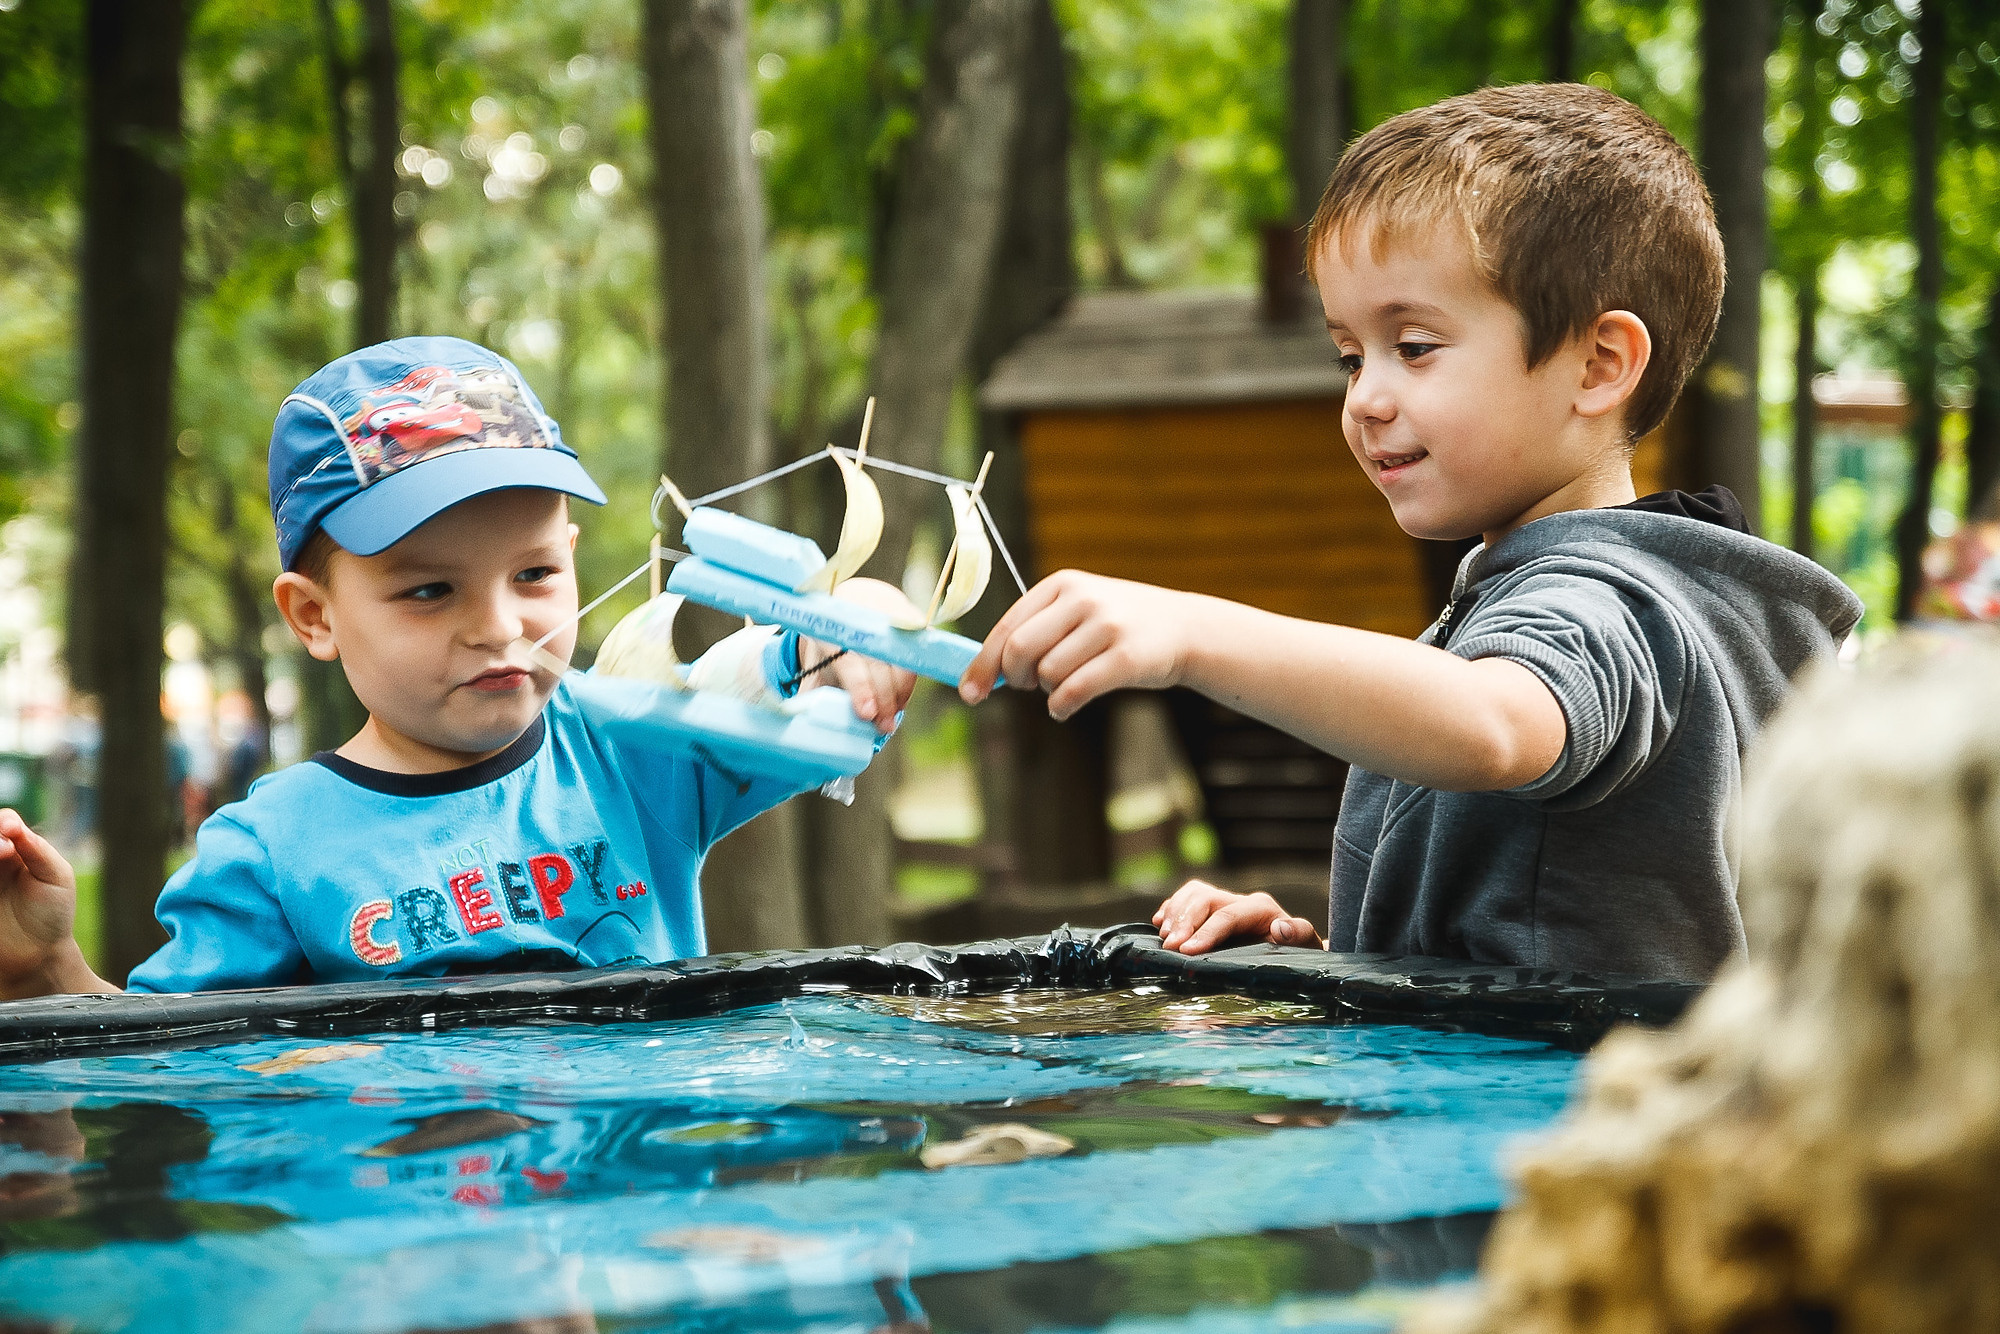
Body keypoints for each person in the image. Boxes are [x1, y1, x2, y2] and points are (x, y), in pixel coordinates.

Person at [962, 84, 1863, 982]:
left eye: (1416, 346)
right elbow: (1536, 939)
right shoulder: (1642, 591)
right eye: (1351, 357)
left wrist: (1193, 633)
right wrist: (1327, 962)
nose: (1367, 398)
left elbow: (1494, 725)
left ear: (1598, 365)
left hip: (1556, 1122)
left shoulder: (1605, 600)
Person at [0, 337, 914, 998]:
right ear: (314, 616)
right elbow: (173, 1075)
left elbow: (764, 682)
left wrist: (843, 640)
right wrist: (49, 969)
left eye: (536, 574)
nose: (501, 625)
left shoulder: (630, 756)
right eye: (431, 592)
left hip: (636, 1242)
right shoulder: (272, 853)